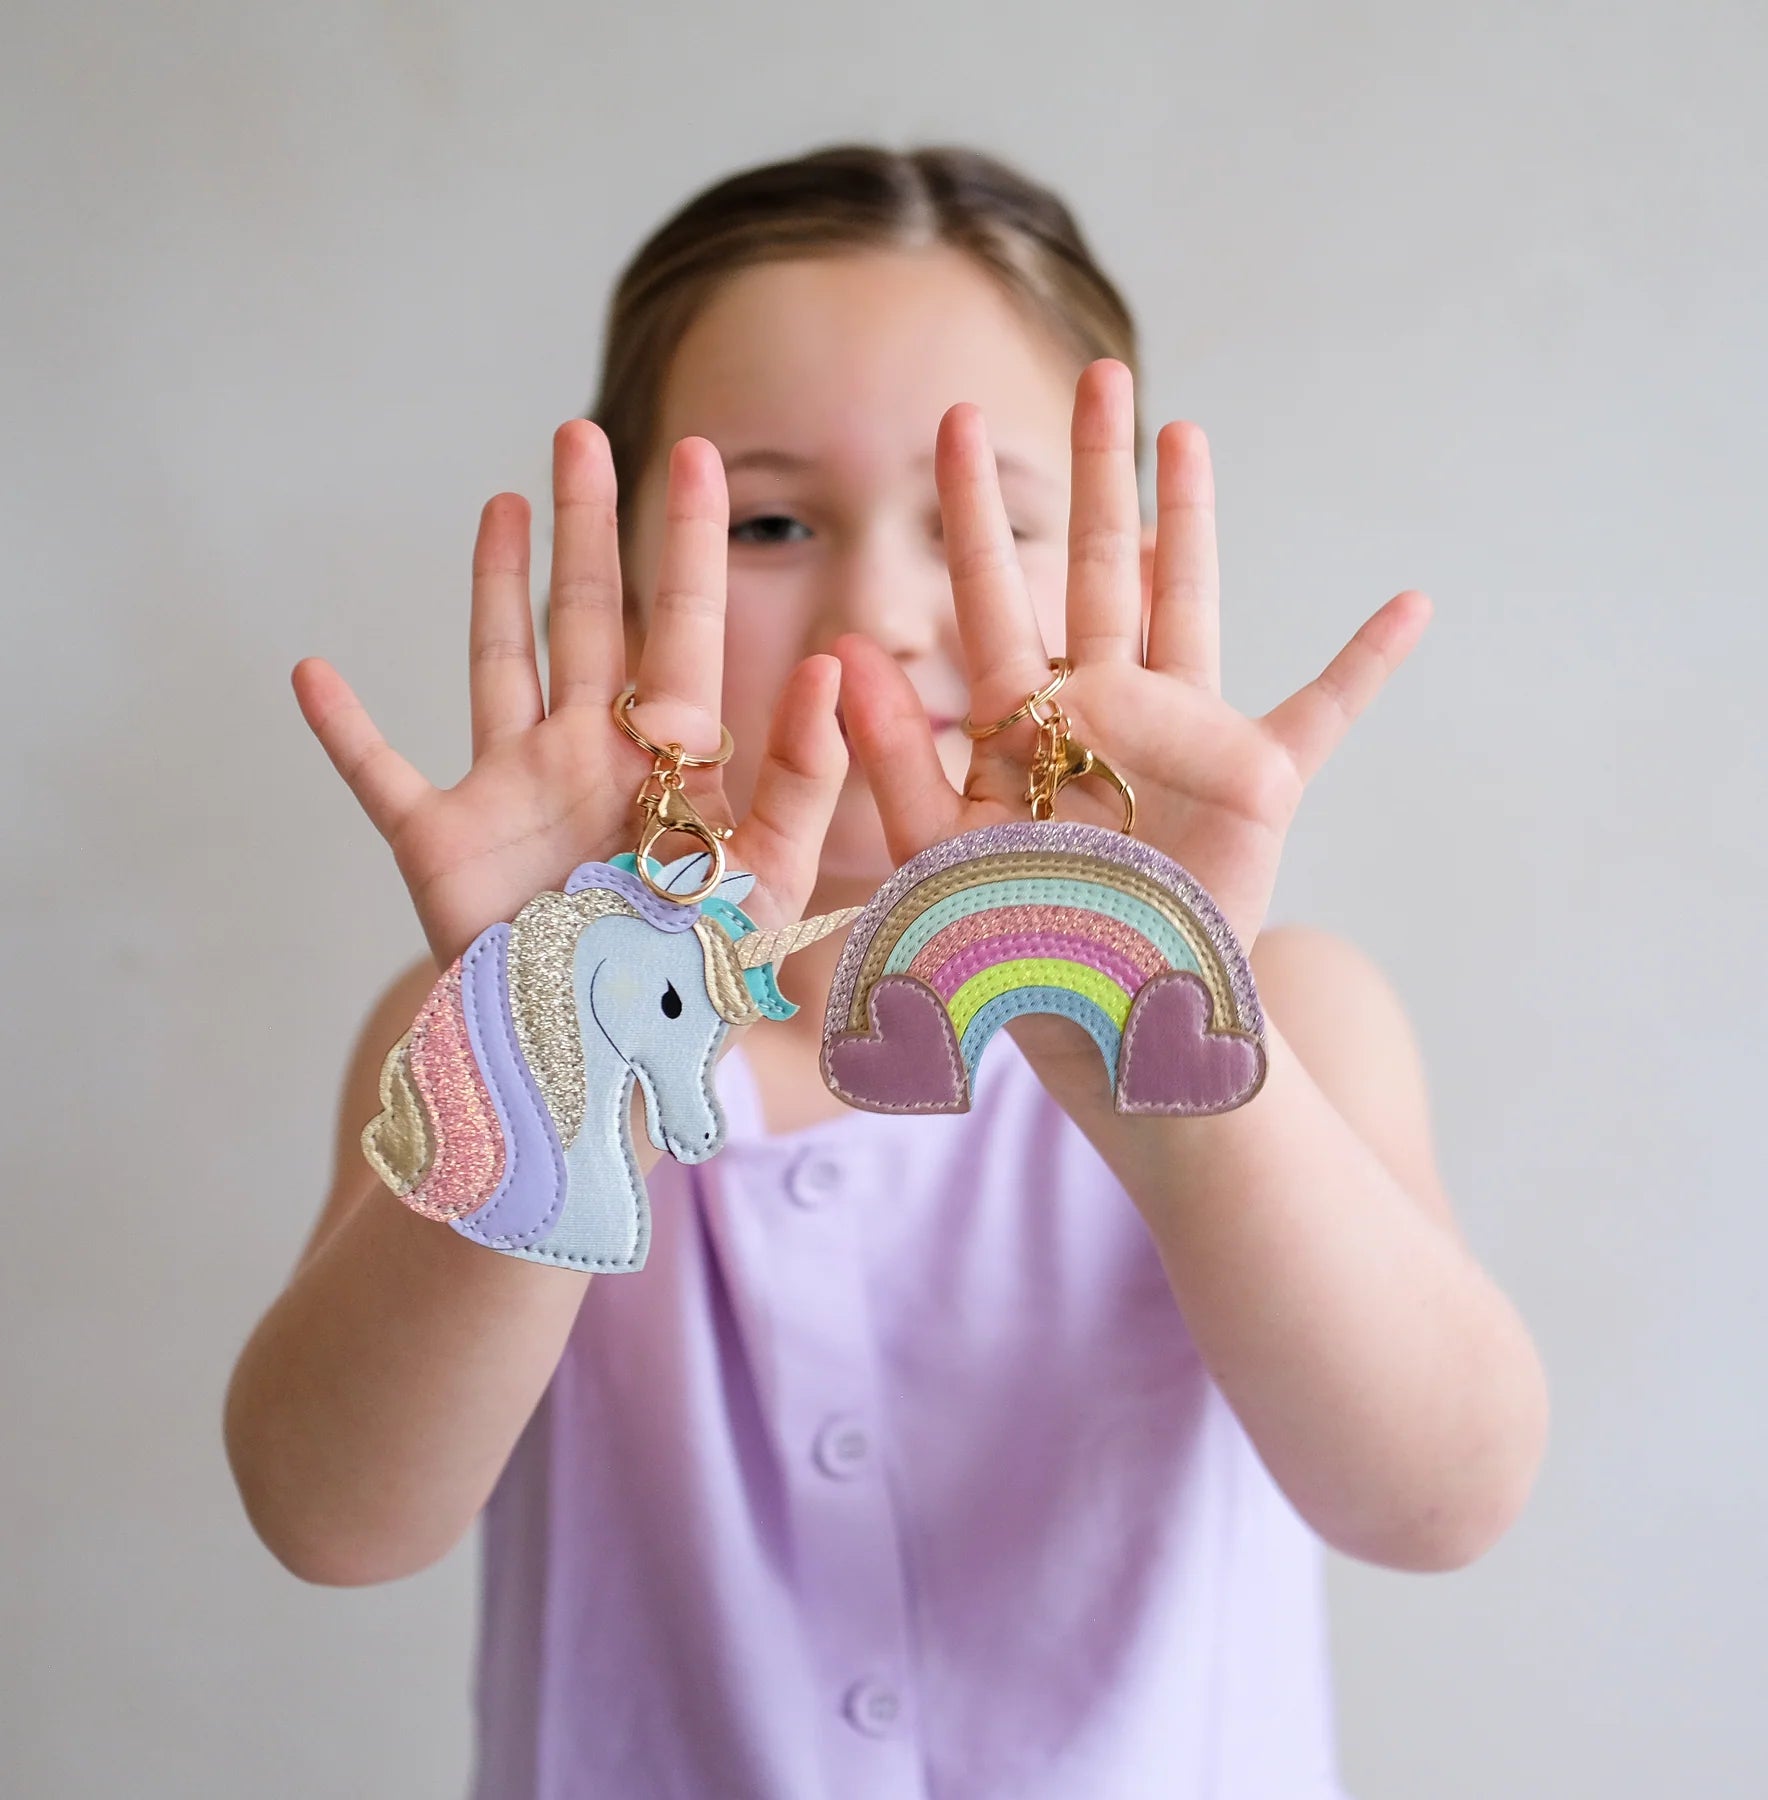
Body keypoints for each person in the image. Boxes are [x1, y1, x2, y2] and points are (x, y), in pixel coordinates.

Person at [224, 142, 1549, 1799]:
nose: (877, 615)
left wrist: (1155, 1016)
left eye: (985, 523)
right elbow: (331, 1519)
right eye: (771, 521)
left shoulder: (1290, 1019)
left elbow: (1439, 1502)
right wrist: (563, 1041)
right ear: (620, 581)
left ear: (1123, 574)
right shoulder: (494, 1030)